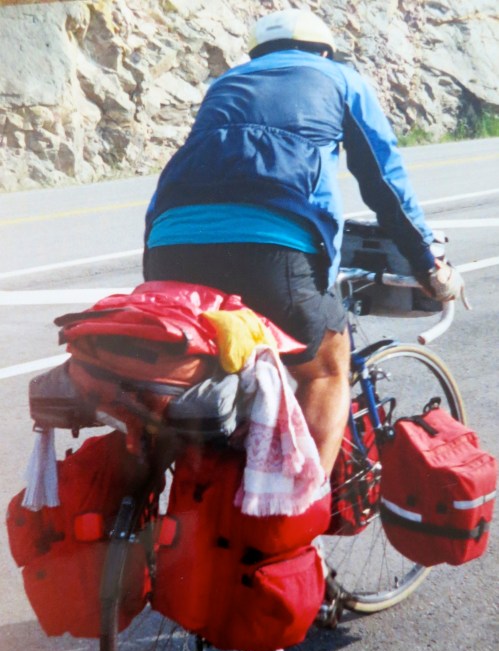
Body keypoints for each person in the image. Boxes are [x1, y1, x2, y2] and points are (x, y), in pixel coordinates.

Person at [142, 8, 466, 478]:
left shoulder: (226, 85)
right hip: (276, 247)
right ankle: (296, 516)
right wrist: (426, 264)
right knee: (326, 369)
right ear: (323, 50)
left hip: (169, 244)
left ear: (256, 54)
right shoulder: (340, 79)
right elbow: (384, 183)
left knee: (202, 362)